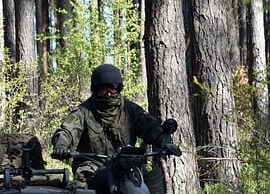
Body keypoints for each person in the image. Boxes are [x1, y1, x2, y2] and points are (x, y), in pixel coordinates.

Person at [51, 63, 181, 187]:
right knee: (81, 185)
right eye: (103, 88)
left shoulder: (130, 109)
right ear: (96, 90)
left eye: (112, 88)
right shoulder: (83, 111)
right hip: (91, 163)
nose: (108, 93)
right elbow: (67, 130)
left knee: (147, 181)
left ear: (118, 89)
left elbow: (150, 127)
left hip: (125, 162)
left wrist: (165, 141)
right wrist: (61, 145)